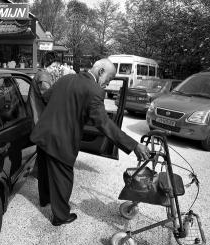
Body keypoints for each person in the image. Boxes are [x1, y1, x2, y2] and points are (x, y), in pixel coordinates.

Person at [30, 58, 150, 226]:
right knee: (63, 178)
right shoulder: (94, 91)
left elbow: (48, 97)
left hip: (43, 133)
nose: (107, 84)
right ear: (100, 71)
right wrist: (134, 145)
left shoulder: (66, 79)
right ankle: (61, 216)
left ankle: (45, 200)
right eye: (108, 79)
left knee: (44, 168)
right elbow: (104, 124)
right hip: (61, 140)